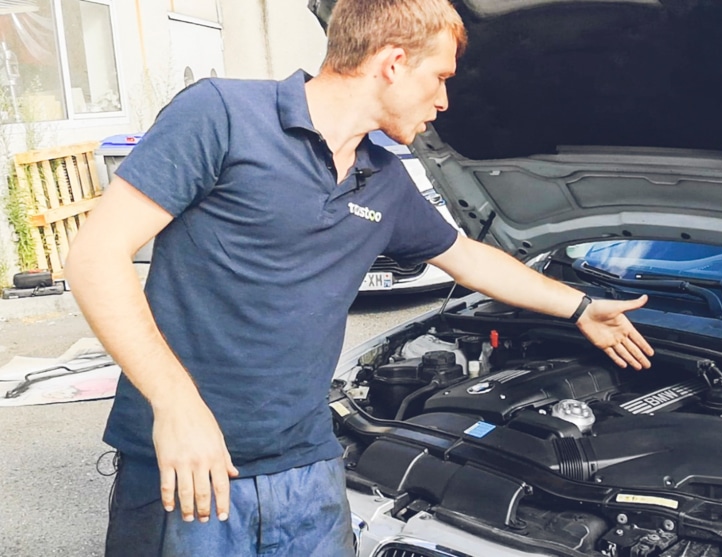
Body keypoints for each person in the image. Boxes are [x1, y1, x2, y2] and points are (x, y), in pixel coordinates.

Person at [65, 0, 655, 555]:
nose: (444, 101)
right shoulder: (221, 115)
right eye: (441, 77)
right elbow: (96, 259)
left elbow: (469, 257)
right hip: (191, 466)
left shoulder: (384, 180)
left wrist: (580, 307)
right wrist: (175, 405)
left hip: (308, 466)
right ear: (393, 63)